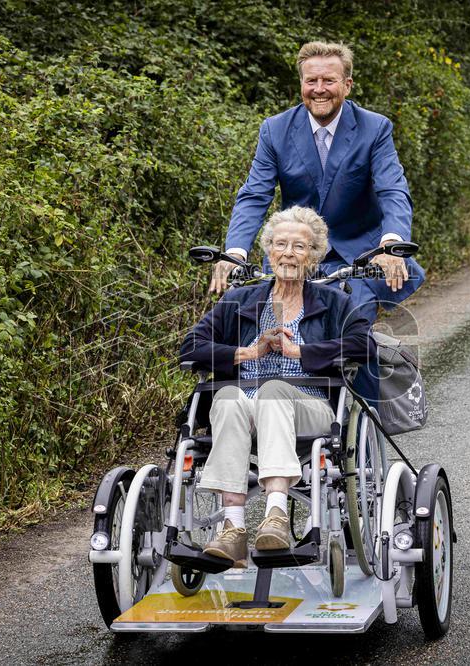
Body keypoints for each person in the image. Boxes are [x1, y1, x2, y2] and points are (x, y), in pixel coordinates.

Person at [181, 206, 375, 566]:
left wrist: (299, 350)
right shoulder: (239, 301)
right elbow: (191, 347)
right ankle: (234, 530)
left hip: (309, 408)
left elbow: (365, 344)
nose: (288, 253)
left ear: (314, 256)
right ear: (268, 252)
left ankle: (275, 519)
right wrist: (249, 351)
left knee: (273, 391)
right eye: (280, 244)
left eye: (299, 246)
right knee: (225, 397)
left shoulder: (335, 302)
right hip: (246, 408)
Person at [209, 41, 425, 319]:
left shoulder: (375, 128)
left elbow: (392, 189)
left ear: (347, 85)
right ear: (301, 84)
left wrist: (391, 245)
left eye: (329, 80)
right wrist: (235, 253)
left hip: (357, 255)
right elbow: (254, 195)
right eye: (311, 80)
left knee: (352, 337)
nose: (319, 88)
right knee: (268, 336)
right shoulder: (275, 130)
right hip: (294, 253)